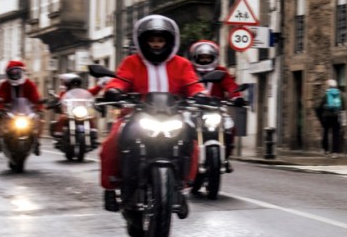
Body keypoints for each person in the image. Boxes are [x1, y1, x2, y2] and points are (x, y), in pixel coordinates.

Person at [98, 15, 206, 213]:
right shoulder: (132, 62)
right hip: (136, 115)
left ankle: (182, 187)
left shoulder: (182, 64)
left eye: (161, 40)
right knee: (112, 143)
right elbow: (120, 80)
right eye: (152, 40)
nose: (156, 44)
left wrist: (199, 94)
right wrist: (114, 90)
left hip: (172, 116)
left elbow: (193, 83)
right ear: (143, 41)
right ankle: (110, 188)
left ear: (169, 41)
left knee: (191, 143)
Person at [188, 40, 246, 173]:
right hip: (192, 110)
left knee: (230, 127)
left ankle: (225, 158)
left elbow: (230, 86)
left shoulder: (221, 72)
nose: (205, 60)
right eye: (201, 57)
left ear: (214, 58)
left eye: (208, 57)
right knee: (182, 130)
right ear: (195, 57)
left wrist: (237, 97)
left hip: (215, 109)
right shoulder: (188, 70)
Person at [0, 61, 44, 155]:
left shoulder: (29, 83)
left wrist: (40, 106)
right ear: (8, 73)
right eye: (12, 72)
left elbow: (35, 96)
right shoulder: (4, 84)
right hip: (10, 112)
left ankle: (37, 141)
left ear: (22, 72)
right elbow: (0, 96)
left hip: (26, 112)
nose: (14, 75)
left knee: (40, 120)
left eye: (17, 72)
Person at [318, 79, 343, 157]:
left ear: (329, 86)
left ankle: (325, 150)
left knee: (325, 133)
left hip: (327, 116)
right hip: (336, 116)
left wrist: (321, 116)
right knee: (336, 134)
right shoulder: (340, 94)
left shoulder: (326, 94)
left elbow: (319, 106)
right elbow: (343, 107)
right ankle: (335, 152)